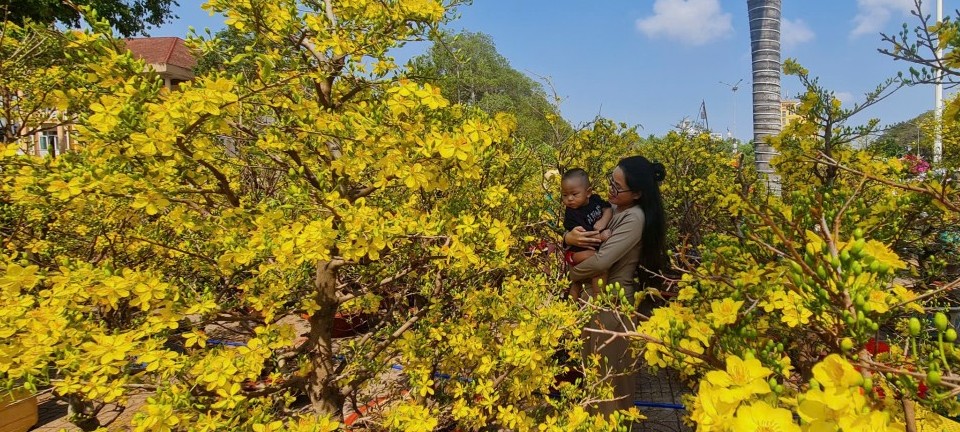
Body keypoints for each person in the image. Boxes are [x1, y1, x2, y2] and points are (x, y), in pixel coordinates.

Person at [562, 155, 667, 414]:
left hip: (613, 308)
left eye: (617, 187)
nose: (611, 190)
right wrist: (568, 237)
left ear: (637, 194)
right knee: (594, 378)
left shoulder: (634, 218)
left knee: (611, 386)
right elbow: (580, 232)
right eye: (611, 181)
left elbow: (602, 261)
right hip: (596, 303)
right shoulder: (614, 207)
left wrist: (571, 274)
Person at [560, 168, 613, 301]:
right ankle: (598, 298)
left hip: (586, 252)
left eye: (574, 194)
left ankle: (570, 304)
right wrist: (601, 237)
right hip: (576, 254)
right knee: (599, 265)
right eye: (565, 195)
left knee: (578, 283)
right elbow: (584, 237)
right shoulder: (571, 214)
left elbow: (608, 209)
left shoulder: (595, 200)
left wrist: (603, 221)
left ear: (588, 192)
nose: (569, 199)